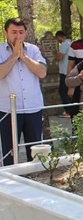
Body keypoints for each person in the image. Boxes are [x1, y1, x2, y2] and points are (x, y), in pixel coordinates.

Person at [0, 18, 47, 166]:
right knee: (10, 152)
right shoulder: (0, 51)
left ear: (26, 33)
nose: (18, 36)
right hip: (8, 110)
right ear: (5, 33)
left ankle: (35, 182)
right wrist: (14, 56)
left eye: (21, 32)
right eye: (14, 32)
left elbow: (42, 72)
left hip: (33, 108)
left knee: (35, 154)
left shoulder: (33, 50)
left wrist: (24, 57)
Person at [55, 30, 71, 117]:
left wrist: (55, 55)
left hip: (64, 72)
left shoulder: (65, 44)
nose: (58, 41)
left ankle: (68, 111)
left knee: (63, 91)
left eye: (57, 39)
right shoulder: (70, 43)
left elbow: (60, 57)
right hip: (69, 71)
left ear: (60, 36)